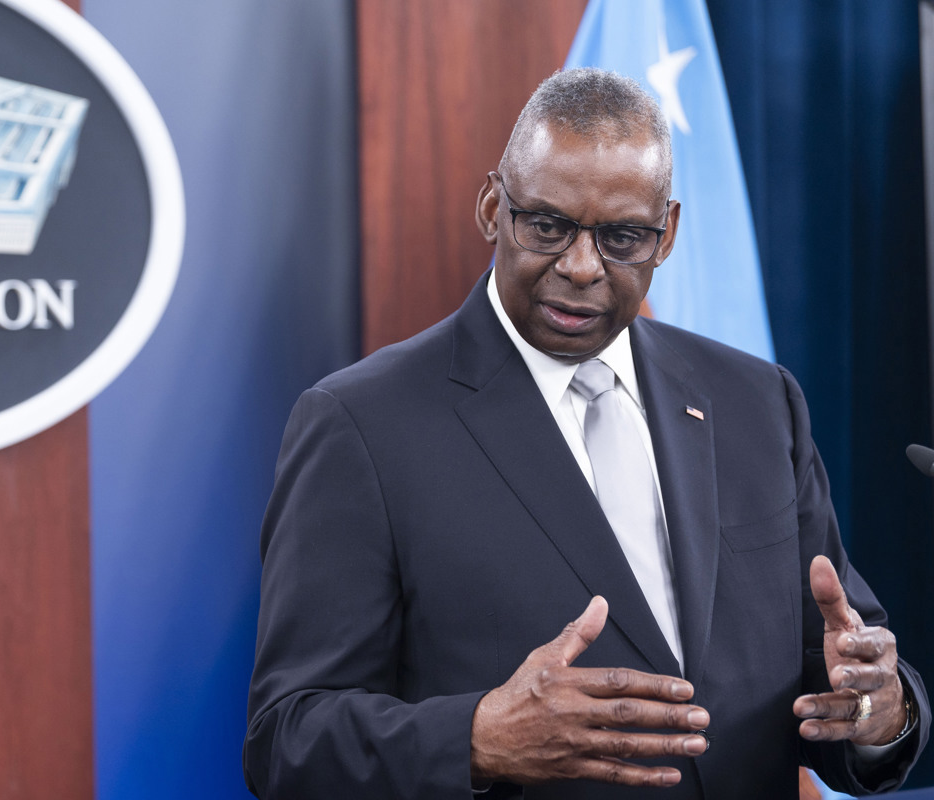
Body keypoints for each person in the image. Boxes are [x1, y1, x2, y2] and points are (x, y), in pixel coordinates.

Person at [243, 68, 929, 799]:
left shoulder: (758, 401)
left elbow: (846, 667)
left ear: (666, 235)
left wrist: (883, 711)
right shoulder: (360, 425)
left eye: (622, 237)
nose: (579, 267)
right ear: (490, 207)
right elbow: (288, 738)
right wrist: (477, 737)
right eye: (546, 225)